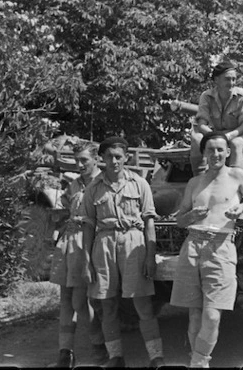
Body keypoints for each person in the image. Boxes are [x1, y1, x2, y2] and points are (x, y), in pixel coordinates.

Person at [170, 132, 243, 368]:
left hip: (221, 247)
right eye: (210, 150)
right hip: (192, 245)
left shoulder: (236, 176)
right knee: (194, 315)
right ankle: (199, 364)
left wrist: (242, 208)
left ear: (228, 152)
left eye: (220, 149)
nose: (215, 154)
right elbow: (180, 220)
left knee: (212, 315)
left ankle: (200, 361)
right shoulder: (195, 182)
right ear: (203, 153)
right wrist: (191, 215)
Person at [80, 136, 164, 368]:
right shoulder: (93, 188)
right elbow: (88, 225)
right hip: (104, 244)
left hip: (132, 243)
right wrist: (87, 261)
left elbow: (149, 221)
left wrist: (150, 255)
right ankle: (115, 357)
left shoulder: (139, 183)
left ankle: (156, 357)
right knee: (107, 305)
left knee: (142, 304)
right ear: (101, 159)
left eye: (118, 156)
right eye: (109, 156)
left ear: (126, 158)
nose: (114, 161)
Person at [49, 141, 107, 367]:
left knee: (80, 301)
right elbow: (65, 209)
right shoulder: (73, 185)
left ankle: (99, 346)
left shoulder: (103, 183)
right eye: (77, 160)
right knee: (65, 300)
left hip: (89, 244)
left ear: (95, 159)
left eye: (84, 160)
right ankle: (65, 353)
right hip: (68, 243)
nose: (80, 164)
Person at [189, 60, 243, 176]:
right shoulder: (206, 96)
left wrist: (228, 136)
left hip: (240, 134)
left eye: (234, 79)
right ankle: (199, 178)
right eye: (227, 79)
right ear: (216, 80)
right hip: (216, 133)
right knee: (196, 138)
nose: (231, 83)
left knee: (236, 144)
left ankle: (237, 180)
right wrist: (216, 137)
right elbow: (201, 124)